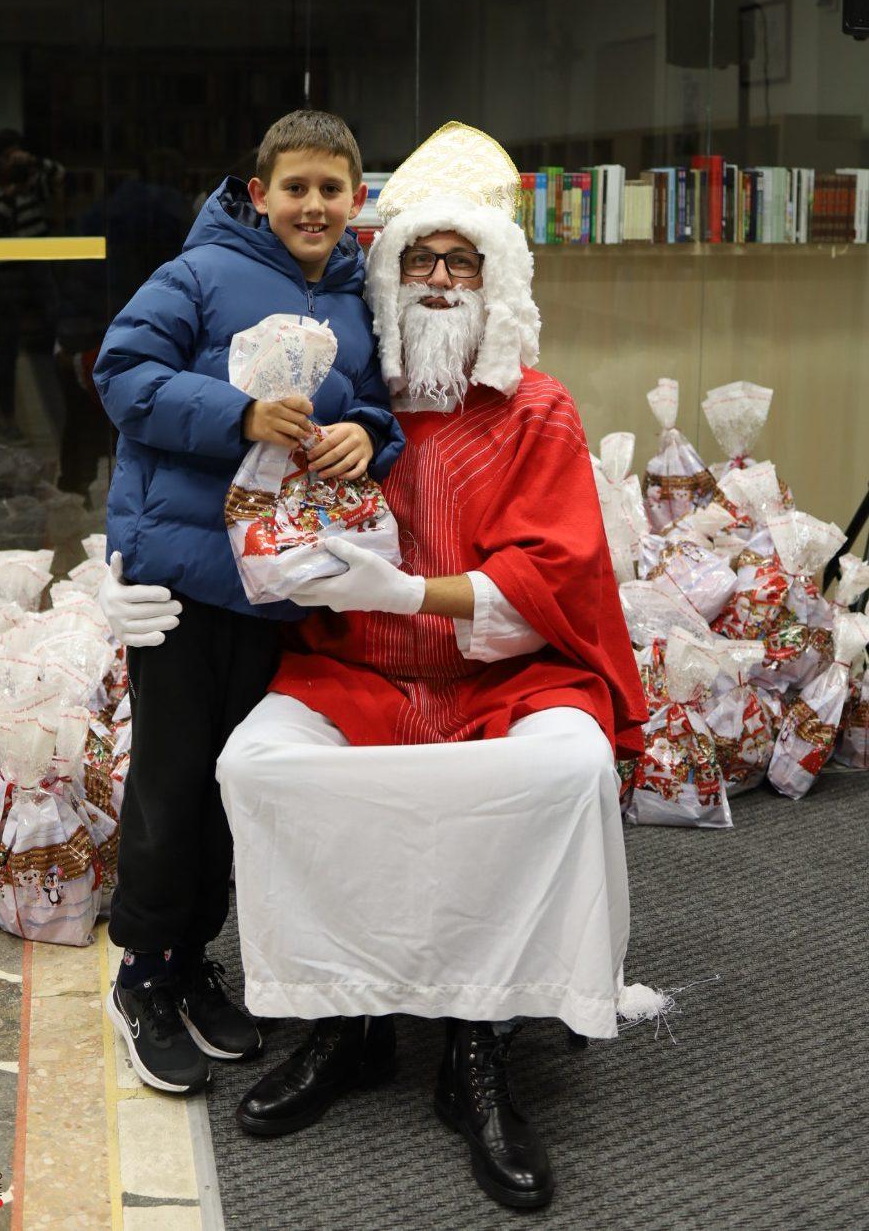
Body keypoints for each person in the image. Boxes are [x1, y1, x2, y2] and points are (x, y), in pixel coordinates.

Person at [101, 121, 649, 1211]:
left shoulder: (536, 406)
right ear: (385, 274)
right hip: (349, 668)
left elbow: (556, 570)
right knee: (246, 772)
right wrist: (107, 562)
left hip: (503, 677)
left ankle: (479, 1038)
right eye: (422, 261)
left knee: (562, 774)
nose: (441, 281)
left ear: (500, 278)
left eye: (465, 262)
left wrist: (416, 595)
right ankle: (340, 1019)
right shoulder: (352, 375)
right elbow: (161, 417)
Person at [93, 108, 405, 1098]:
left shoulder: (358, 299)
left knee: (238, 786)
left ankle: (195, 959)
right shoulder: (195, 274)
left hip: (278, 586)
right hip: (187, 581)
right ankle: (142, 974)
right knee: (172, 784)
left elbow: (366, 410)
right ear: (259, 192)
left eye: (333, 190)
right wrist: (237, 415)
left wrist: (370, 441)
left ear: (358, 202)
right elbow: (122, 373)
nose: (314, 205)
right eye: (296, 187)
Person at [0, 129, 64, 429]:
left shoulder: (31, 181)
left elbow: (61, 176)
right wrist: (8, 197)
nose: (12, 163)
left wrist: (33, 162)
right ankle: (8, 415)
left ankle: (58, 405)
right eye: (7, 157)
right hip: (5, 269)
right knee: (8, 342)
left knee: (54, 327)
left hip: (37, 261)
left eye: (16, 156)